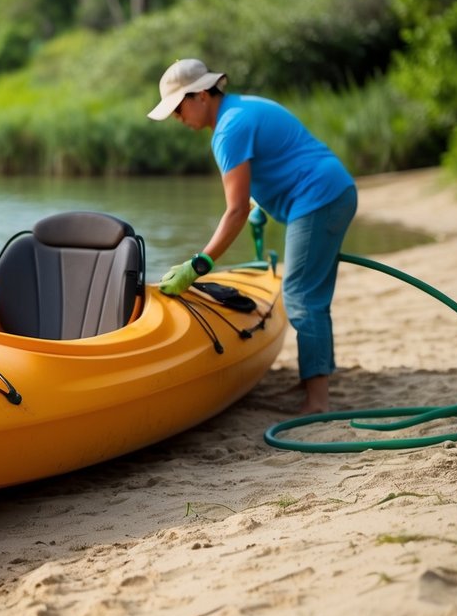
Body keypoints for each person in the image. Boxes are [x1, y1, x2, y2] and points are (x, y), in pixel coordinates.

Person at [147, 58, 357, 414]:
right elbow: (282, 156)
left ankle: (318, 402)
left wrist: (198, 264)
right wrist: (264, 204)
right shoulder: (242, 108)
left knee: (300, 294)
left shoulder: (229, 129)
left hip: (320, 197)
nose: (176, 118)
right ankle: (312, 384)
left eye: (177, 108)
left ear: (200, 96)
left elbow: (235, 211)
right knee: (311, 293)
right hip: (331, 192)